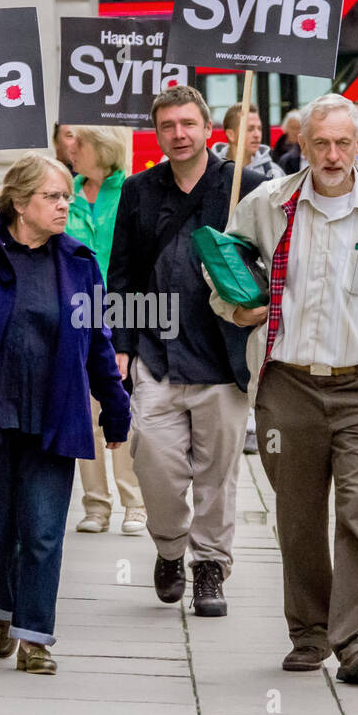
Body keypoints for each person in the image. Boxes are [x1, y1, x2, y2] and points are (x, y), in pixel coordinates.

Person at [211, 93, 358, 682]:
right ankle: (309, 632)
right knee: (299, 514)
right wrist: (239, 313)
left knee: (356, 506)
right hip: (288, 386)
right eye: (321, 144)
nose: (333, 155)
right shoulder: (267, 204)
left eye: (344, 143)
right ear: (301, 146)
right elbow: (222, 280)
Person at [0, 153, 130, 676]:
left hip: (55, 414)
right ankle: (2, 608)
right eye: (53, 197)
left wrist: (117, 409)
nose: (65, 205)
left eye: (66, 196)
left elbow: (98, 341)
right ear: (20, 201)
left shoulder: (78, 260)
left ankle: (35, 636)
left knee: (42, 532)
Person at [108, 85, 264, 618]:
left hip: (223, 357)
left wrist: (259, 311)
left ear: (207, 130)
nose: (179, 134)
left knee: (218, 475)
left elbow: (274, 265)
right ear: (158, 133)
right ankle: (171, 548)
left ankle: (210, 568)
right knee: (153, 460)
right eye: (168, 126)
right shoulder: (138, 190)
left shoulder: (247, 186)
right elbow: (123, 273)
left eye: (188, 124)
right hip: (156, 354)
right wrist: (122, 346)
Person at [65, 125, 148, 536]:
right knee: (85, 409)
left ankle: (135, 502)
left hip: (122, 312)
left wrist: (127, 335)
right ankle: (96, 504)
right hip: (75, 314)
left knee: (122, 405)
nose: (70, 149)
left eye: (77, 143)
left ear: (100, 149)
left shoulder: (131, 191)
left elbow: (136, 262)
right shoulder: (66, 191)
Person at [214, 103, 285, 179]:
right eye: (250, 129)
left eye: (259, 128)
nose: (257, 135)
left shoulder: (273, 173)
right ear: (231, 135)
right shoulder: (212, 172)